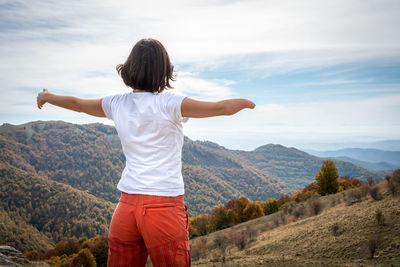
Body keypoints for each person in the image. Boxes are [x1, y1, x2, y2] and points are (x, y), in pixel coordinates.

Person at [37, 38, 255, 267]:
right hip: (164, 207)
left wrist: (48, 97)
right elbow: (221, 108)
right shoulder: (170, 104)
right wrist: (246, 103)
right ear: (163, 71)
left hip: (126, 208)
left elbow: (77, 103)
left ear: (129, 68)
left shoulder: (116, 104)